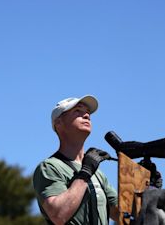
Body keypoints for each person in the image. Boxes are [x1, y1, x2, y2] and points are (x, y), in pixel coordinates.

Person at [33, 95, 119, 225]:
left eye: (88, 112)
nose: (86, 115)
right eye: (77, 111)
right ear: (58, 123)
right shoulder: (49, 167)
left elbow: (124, 216)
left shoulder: (98, 173)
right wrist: (85, 173)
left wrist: (149, 191)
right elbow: (58, 215)